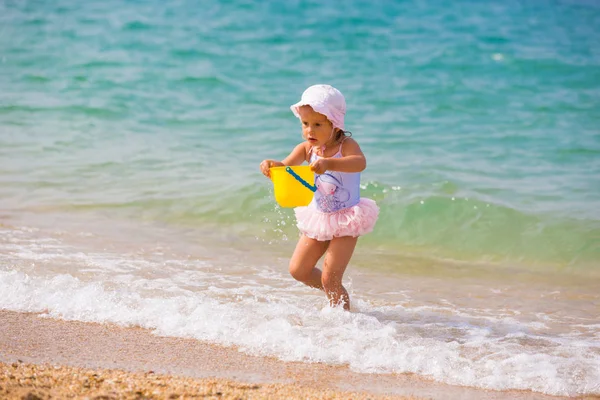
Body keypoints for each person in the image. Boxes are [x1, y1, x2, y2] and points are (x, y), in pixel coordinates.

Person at [259, 84, 379, 311]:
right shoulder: (306, 149)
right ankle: (337, 295)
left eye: (317, 124)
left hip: (346, 219)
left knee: (330, 277)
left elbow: (359, 163)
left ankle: (343, 319)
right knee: (299, 270)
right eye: (305, 124)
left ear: (335, 124)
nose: (309, 131)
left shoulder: (347, 146)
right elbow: (286, 167)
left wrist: (329, 163)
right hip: (319, 217)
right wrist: (271, 166)